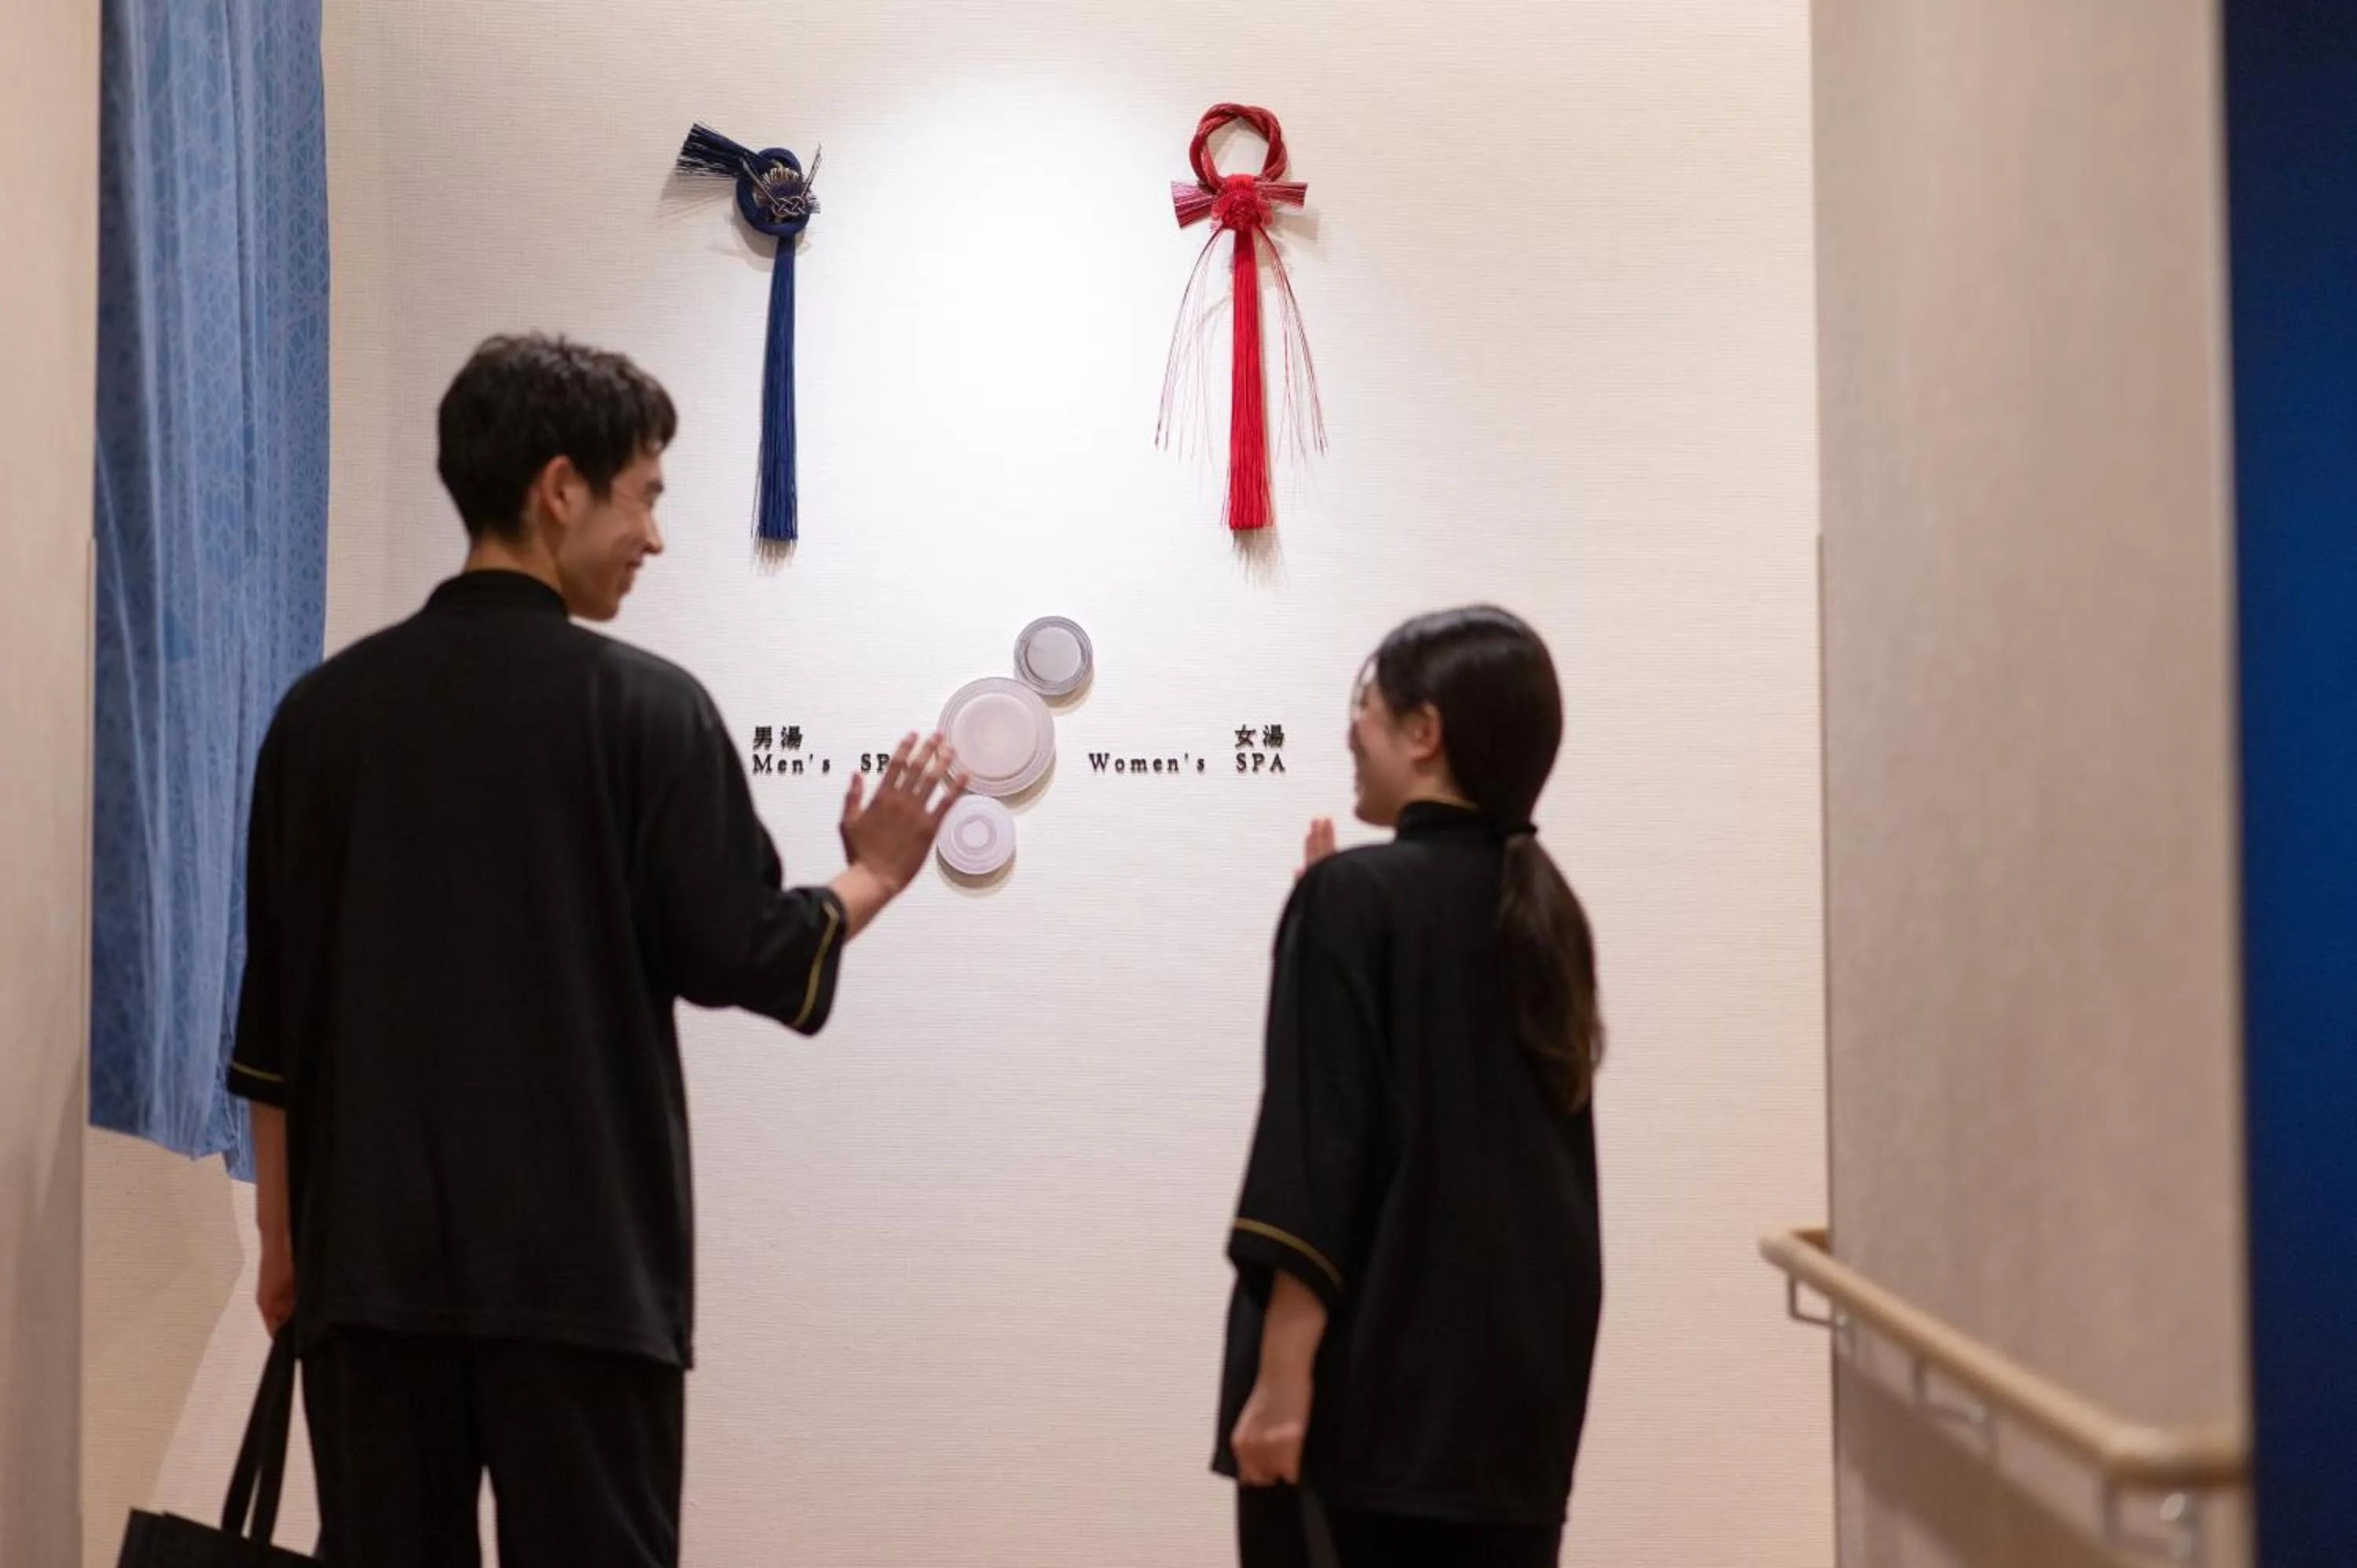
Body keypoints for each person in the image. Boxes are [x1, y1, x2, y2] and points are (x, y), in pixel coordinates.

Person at [225, 334, 965, 1567]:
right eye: (647, 495)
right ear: (560, 488)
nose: (656, 537)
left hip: (371, 1281)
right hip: (583, 1279)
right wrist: (874, 873)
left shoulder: (322, 716)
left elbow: (273, 1025)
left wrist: (287, 1250)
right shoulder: (646, 711)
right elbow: (750, 953)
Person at [1215, 606, 1607, 1568]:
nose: (1352, 729)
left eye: (1367, 706)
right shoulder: (1548, 910)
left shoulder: (1354, 902)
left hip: (1369, 1410)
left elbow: (1319, 1158)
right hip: (1519, 1415)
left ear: (1425, 733)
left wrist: (1280, 1385)